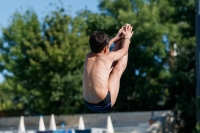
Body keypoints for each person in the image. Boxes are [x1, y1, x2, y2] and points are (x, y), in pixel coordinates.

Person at [82, 23, 134, 112]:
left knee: (109, 66)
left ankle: (120, 39)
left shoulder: (88, 56)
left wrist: (114, 39)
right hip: (104, 103)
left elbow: (101, 50)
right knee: (117, 69)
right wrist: (127, 37)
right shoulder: (107, 57)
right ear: (106, 48)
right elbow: (124, 51)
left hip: (88, 103)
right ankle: (121, 39)